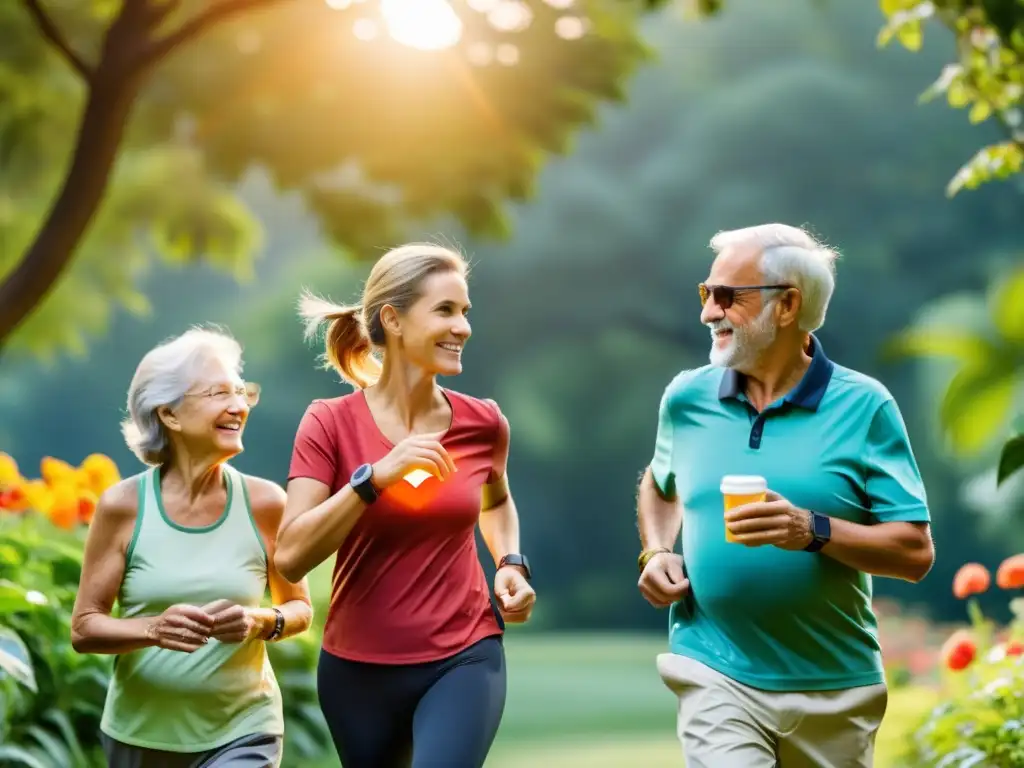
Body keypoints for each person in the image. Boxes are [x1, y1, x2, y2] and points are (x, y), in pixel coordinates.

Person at [635, 223, 935, 768]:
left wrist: (811, 530)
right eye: (706, 293)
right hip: (715, 670)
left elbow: (914, 554)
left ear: (788, 305)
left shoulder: (866, 407)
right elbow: (659, 483)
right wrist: (656, 550)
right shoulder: (686, 396)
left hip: (835, 686)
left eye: (728, 296)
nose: (708, 312)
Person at [274, 242, 536, 768]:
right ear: (392, 319)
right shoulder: (329, 423)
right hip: (356, 669)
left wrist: (509, 561)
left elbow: (497, 500)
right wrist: (372, 481)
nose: (462, 327)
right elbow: (290, 555)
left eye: (465, 312)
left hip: (465, 653)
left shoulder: (484, 423)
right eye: (445, 310)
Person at [70, 327, 313, 768]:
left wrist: (259, 620)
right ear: (170, 415)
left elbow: (298, 609)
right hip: (139, 736)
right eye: (219, 393)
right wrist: (153, 628)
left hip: (244, 729)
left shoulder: (266, 503)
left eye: (242, 392)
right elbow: (85, 628)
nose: (238, 406)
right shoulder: (123, 507)